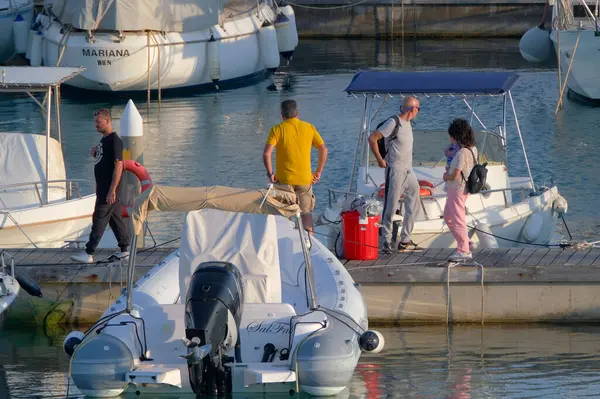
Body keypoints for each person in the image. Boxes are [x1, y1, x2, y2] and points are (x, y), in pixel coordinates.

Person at [71, 108, 129, 264]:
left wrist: (112, 190)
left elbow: (119, 166)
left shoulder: (115, 141)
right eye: (95, 122)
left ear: (107, 121)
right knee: (115, 219)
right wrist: (96, 153)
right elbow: (105, 160)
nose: (96, 125)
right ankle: (125, 250)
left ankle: (89, 253)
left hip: (108, 190)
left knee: (99, 219)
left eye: (98, 122)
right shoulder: (104, 140)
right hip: (104, 188)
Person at [263, 100, 328, 234]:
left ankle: (283, 244)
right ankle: (309, 245)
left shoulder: (277, 129)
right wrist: (318, 171)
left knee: (283, 216)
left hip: (284, 181)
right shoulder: (309, 127)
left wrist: (270, 174)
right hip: (305, 179)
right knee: (306, 215)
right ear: (298, 113)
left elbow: (266, 154)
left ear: (282, 115)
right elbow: (323, 148)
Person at [367, 96, 422, 253]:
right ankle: (385, 240)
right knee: (390, 207)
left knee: (414, 200)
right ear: (413, 109)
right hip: (395, 170)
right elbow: (372, 138)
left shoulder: (409, 123)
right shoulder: (393, 122)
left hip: (408, 170)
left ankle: (404, 240)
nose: (418, 111)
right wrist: (379, 159)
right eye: (418, 108)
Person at [442, 118, 478, 262]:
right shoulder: (472, 149)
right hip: (464, 188)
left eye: (452, 136)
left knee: (457, 218)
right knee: (448, 217)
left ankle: (464, 250)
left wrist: (445, 176)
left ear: (457, 136)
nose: (451, 139)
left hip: (456, 188)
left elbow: (454, 175)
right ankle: (466, 241)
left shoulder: (461, 153)